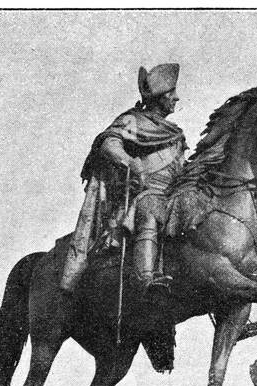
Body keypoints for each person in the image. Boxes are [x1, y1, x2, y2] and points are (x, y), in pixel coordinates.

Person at [61, 63, 187, 295]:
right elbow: (109, 143)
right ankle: (146, 280)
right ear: (159, 97)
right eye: (172, 94)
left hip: (172, 194)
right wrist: (129, 162)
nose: (177, 98)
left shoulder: (175, 134)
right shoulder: (133, 121)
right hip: (142, 194)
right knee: (151, 208)